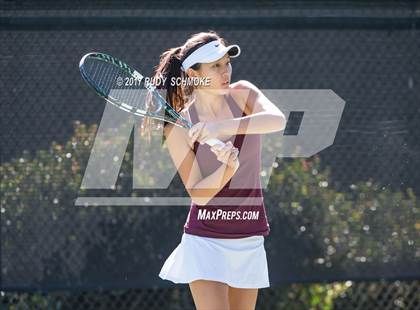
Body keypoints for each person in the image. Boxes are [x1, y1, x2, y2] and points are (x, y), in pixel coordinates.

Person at [148, 30, 286, 310]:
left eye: (227, 63)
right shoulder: (178, 127)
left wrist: (221, 128)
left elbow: (277, 120)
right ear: (194, 73)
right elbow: (198, 193)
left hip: (249, 235)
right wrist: (227, 169)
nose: (226, 72)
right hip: (205, 240)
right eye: (216, 66)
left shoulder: (245, 93)